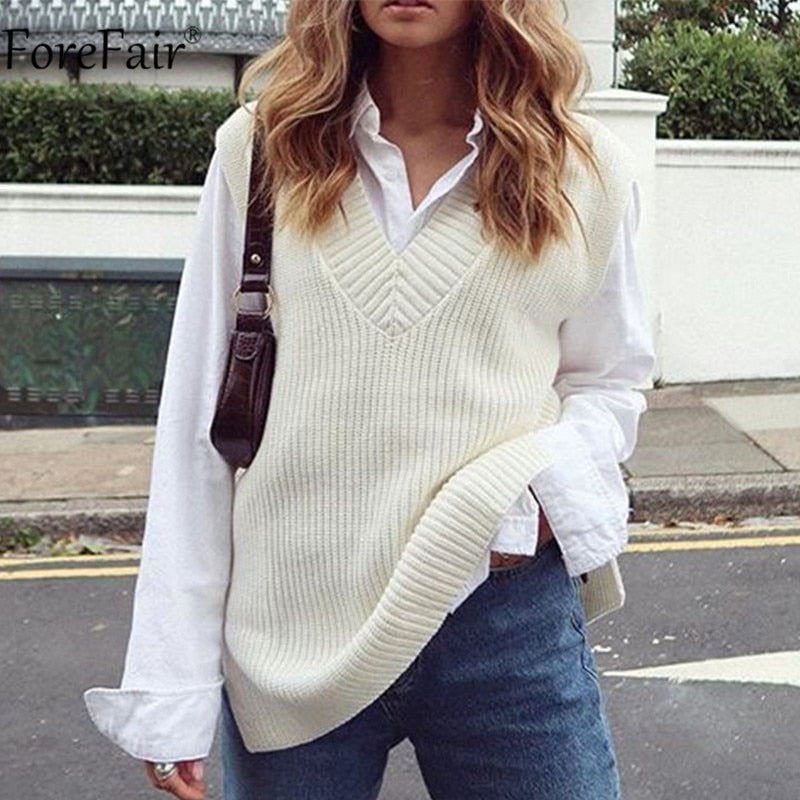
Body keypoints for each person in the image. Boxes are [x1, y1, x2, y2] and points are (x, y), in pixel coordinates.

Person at [83, 1, 655, 798]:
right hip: (291, 627)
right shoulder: (263, 149)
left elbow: (607, 379)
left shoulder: (581, 168)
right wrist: (170, 684)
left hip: (501, 621)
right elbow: (197, 422)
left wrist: (531, 500)